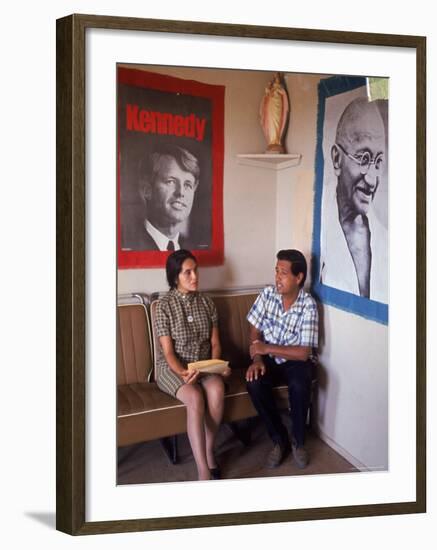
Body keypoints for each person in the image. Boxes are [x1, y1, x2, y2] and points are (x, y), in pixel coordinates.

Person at [154, 249, 231, 480]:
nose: (195, 276)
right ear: (175, 277)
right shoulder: (163, 306)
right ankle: (203, 470)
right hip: (173, 368)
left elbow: (215, 343)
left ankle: (208, 449)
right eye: (187, 272)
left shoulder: (207, 302)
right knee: (195, 397)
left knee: (217, 390)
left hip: (204, 365)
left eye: (195, 270)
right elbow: (168, 353)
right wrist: (184, 372)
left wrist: (217, 365)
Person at [245, 250, 318, 469]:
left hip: (295, 359)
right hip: (268, 358)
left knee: (300, 382)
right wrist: (257, 358)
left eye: (283, 273)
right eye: (276, 271)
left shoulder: (308, 304)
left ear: (299, 277)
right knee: (254, 382)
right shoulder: (268, 294)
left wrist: (265, 348)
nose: (278, 277)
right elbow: (254, 332)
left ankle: (298, 441)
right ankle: (279, 439)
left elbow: (304, 352)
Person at [320, 96, 388, 302]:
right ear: (336, 159)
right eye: (364, 158)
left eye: (378, 162)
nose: (371, 178)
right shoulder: (319, 233)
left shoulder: (388, 243)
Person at [124, 144, 201, 251]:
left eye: (188, 185)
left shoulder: (195, 250)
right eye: (171, 182)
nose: (181, 192)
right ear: (147, 190)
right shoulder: (128, 245)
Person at [259, 73, 289, 153]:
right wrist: (269, 87)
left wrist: (279, 90)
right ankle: (272, 141)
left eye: (277, 79)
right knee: (270, 122)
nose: (276, 81)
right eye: (275, 80)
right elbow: (266, 95)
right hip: (271, 107)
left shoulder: (280, 90)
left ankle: (276, 141)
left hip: (278, 107)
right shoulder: (271, 90)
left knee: (277, 122)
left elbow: (283, 95)